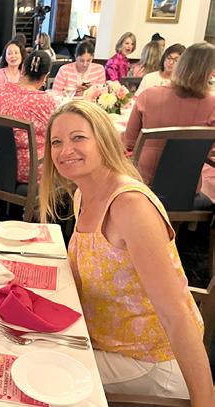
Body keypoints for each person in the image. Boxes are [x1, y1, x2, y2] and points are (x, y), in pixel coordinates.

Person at [39, 100, 214, 405]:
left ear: (104, 140)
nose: (65, 150)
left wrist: (205, 400)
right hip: (103, 339)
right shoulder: (83, 194)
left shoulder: (129, 206)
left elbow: (176, 315)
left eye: (78, 137)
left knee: (42, 372)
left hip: (149, 361)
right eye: (56, 142)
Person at [124, 42, 215, 184]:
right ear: (209, 72)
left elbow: (129, 141)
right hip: (187, 184)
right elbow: (209, 151)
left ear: (181, 65)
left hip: (143, 181)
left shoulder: (148, 95)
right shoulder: (212, 105)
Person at [0, 51, 57, 183]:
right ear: (45, 76)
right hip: (30, 172)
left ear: (23, 69)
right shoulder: (46, 102)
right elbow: (57, 137)